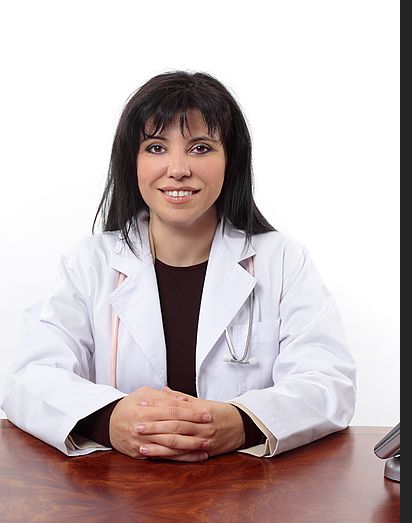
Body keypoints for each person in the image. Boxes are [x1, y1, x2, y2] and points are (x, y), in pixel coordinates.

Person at [1, 71, 356, 461]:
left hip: (248, 498)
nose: (177, 168)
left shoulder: (282, 260)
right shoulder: (89, 264)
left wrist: (240, 423)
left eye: (201, 148)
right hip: (118, 500)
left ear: (231, 160)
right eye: (155, 148)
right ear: (130, 161)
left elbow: (329, 382)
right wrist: (110, 419)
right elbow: (29, 380)